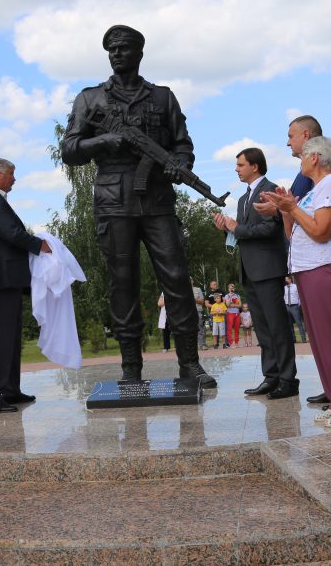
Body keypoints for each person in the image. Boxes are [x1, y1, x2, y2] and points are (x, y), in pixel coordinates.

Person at [60, 24, 215, 388]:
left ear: (139, 53)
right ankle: (131, 368)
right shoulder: (90, 99)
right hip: (113, 202)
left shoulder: (162, 98)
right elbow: (69, 150)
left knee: (176, 280)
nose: (116, 54)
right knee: (122, 283)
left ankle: (189, 364)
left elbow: (183, 145)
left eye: (123, 49)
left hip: (158, 200)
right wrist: (103, 141)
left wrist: (182, 166)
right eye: (111, 50)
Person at [258, 136, 331, 428]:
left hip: (329, 269)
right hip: (311, 270)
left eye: (303, 155)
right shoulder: (316, 189)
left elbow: (322, 232)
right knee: (320, 343)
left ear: (315, 157)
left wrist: (292, 209)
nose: (300, 160)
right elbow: (294, 236)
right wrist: (286, 209)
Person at [213, 147, 298, 398]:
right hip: (249, 271)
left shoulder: (271, 192)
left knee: (278, 326)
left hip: (269, 269)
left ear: (255, 166)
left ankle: (287, 380)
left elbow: (269, 229)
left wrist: (236, 228)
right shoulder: (243, 199)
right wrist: (225, 229)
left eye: (240, 165)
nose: (236, 169)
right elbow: (243, 233)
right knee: (262, 328)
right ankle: (271, 377)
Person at [0, 157, 51, 413]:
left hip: (9, 279)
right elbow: (11, 233)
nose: (14, 179)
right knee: (4, 338)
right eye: (12, 174)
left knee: (12, 337)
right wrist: (39, 245)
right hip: (0, 280)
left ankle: (10, 389)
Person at [283, 275, 307, 343]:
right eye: (285, 279)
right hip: (287, 306)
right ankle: (293, 339)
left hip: (294, 306)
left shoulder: (295, 286)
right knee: (290, 324)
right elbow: (284, 296)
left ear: (290, 279)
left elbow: (299, 296)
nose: (286, 280)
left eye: (287, 279)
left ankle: (303, 338)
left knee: (299, 323)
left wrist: (298, 305)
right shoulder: (285, 288)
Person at [224, 283, 242, 347]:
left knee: (237, 328)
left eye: (233, 288)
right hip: (230, 314)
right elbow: (228, 305)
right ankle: (231, 343)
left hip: (237, 313)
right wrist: (230, 296)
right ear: (228, 289)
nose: (232, 289)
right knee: (230, 328)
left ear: (234, 288)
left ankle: (236, 342)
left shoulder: (237, 295)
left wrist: (233, 305)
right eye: (230, 288)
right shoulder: (227, 296)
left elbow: (240, 305)